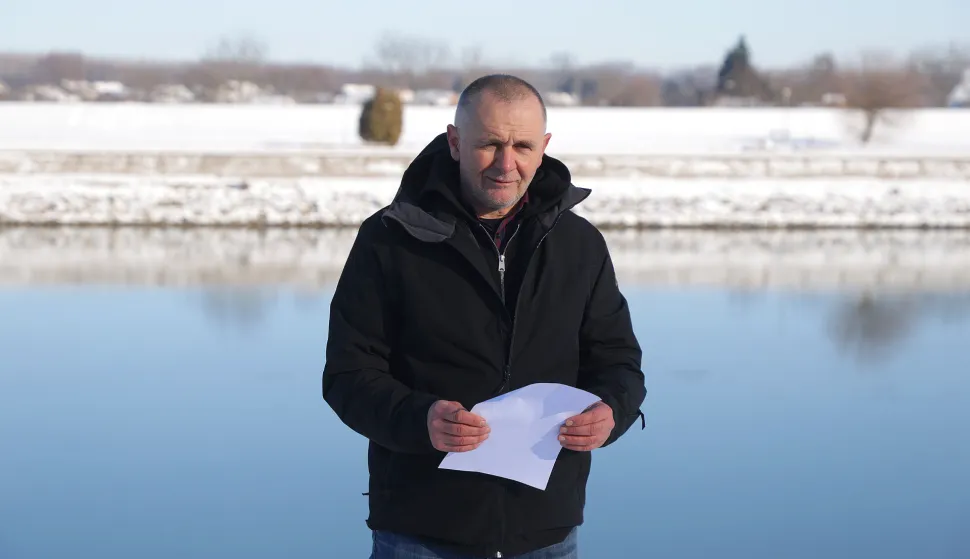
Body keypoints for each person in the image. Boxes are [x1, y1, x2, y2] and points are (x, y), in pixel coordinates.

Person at [322, 74, 646, 559]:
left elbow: (619, 362)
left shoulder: (580, 245)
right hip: (419, 532)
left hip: (546, 533)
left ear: (545, 147)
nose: (506, 163)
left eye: (522, 146)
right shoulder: (389, 240)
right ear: (455, 142)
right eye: (489, 144)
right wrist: (421, 420)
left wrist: (612, 412)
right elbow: (347, 376)